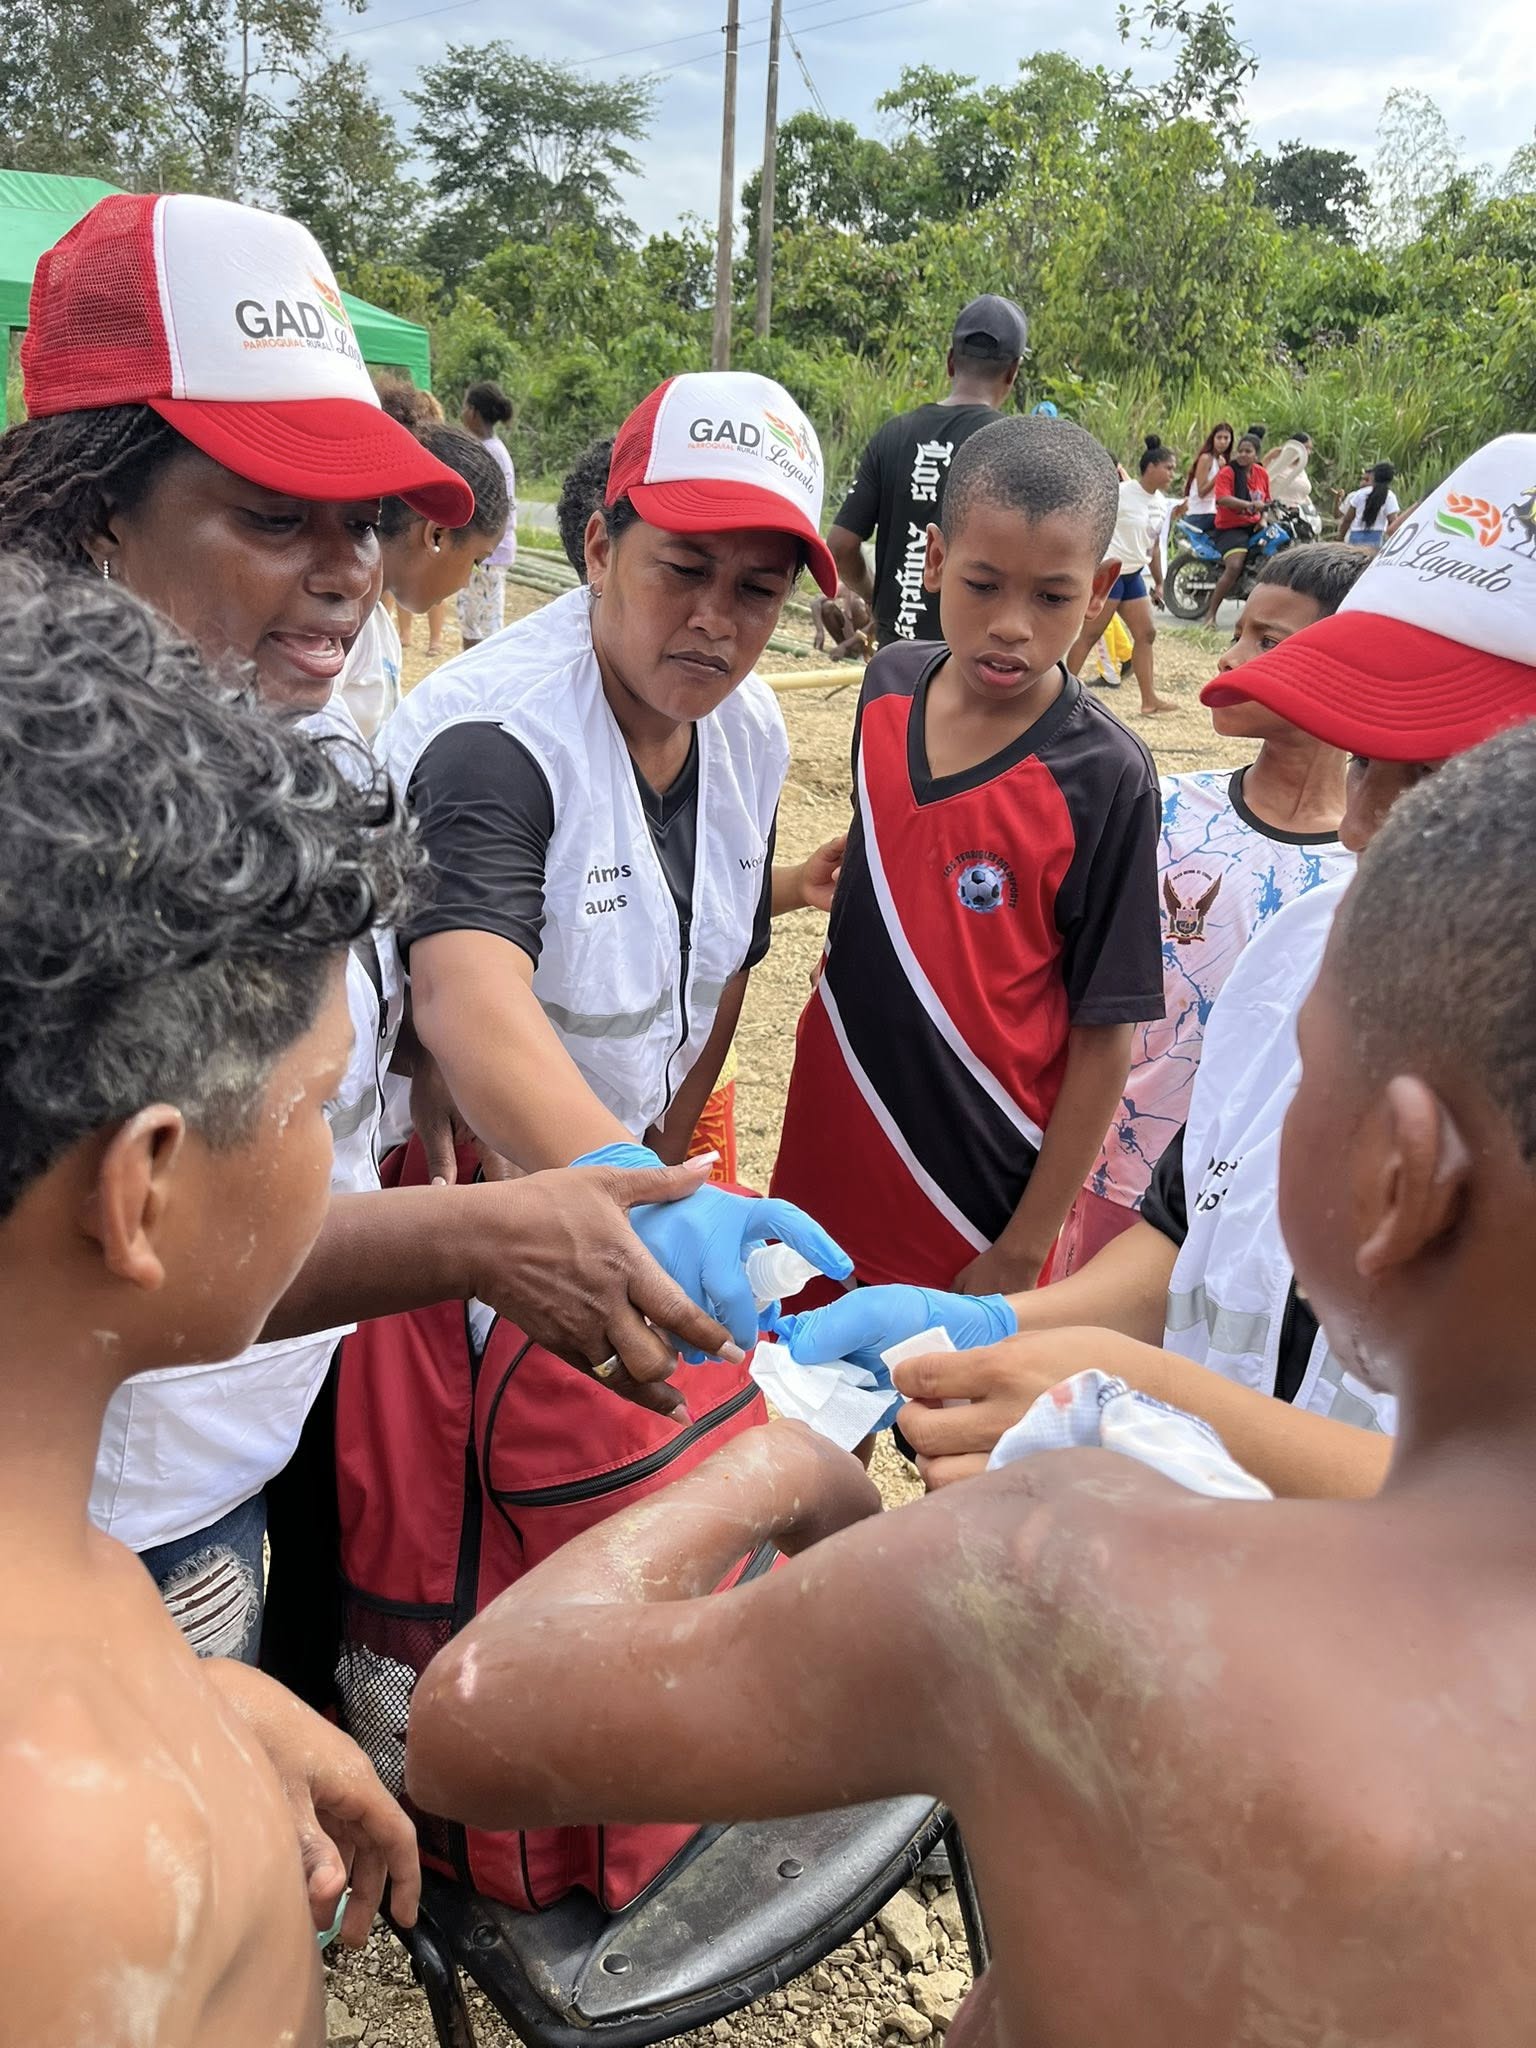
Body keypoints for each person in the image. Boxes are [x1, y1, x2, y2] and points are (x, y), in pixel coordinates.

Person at [408, 722, 1536, 2047]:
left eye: (1303, 1075)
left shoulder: (1070, 1575)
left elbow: (474, 1723)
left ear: (1399, 1176)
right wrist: (1002, 1320)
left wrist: (777, 1467)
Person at [0, 191, 748, 1657]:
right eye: (277, 518)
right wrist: (477, 1237)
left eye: (366, 520)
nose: (348, 569)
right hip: (115, 1502)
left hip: (272, 1411)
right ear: (96, 509)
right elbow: (152, 1243)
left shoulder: (314, 732)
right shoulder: (53, 823)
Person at [784, 433, 1536, 1501]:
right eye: (1367, 759)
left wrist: (1136, 1389)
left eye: (1445, 783)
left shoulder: (1104, 777)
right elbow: (1180, 1239)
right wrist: (996, 1323)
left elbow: (1488, 1516)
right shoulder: (1299, 963)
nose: (1362, 826)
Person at [0, 561, 424, 2040]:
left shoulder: (66, 1571)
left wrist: (206, 1707)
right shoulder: (78, 1879)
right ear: (145, 1188)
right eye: (318, 1102)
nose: (331, 1147)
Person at [380, 369, 852, 1359]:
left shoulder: (749, 732)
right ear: (599, 548)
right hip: (472, 1205)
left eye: (757, 590)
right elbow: (467, 993)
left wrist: (661, 1180)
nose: (716, 618)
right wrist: (626, 1186)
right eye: (682, 569)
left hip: (618, 1190)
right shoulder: (500, 740)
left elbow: (727, 962)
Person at [770, 413, 1164, 1303]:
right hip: (833, 1118)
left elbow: (1107, 1035)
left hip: (976, 1182)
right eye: (983, 585)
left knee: (936, 1391)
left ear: (1099, 591)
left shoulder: (1107, 778)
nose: (1011, 626)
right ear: (936, 560)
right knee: (795, 1361)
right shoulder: (887, 685)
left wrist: (1025, 1247)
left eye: (1052, 598)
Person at [1059, 543, 1367, 1273]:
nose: (1230, 659)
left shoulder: (1370, 874)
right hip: (1110, 1180)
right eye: (1240, 632)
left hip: (1259, 1218)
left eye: (1268, 642)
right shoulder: (1164, 812)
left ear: (1352, 666)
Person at [827, 295, 1028, 646]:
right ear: (1013, 372)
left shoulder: (893, 434)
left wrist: (875, 595)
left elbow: (841, 546)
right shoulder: (1016, 445)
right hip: (969, 654)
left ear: (950, 362)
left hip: (895, 651)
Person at [340, 425, 508, 739]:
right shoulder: (338, 627)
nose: (466, 582)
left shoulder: (378, 624)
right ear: (437, 536)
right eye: (476, 561)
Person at [1067, 434, 1179, 716]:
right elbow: (1090, 525)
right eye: (1168, 468)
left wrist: (1160, 582)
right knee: (1090, 635)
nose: (1172, 474)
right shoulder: (1121, 493)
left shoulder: (1160, 502)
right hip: (1111, 574)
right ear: (1151, 467)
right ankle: (1060, 697)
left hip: (1134, 575)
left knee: (1146, 633)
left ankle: (1149, 700)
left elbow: (1153, 545)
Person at [458, 379, 518, 647]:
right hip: (486, 553)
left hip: (487, 554)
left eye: (464, 407)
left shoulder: (487, 453)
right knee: (475, 623)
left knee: (481, 632)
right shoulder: (491, 449)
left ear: (472, 412)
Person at [1202, 432, 1271, 623]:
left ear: (1256, 455)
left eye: (1248, 451)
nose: (1242, 454)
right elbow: (1222, 499)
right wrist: (1249, 505)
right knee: (1234, 566)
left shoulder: (1262, 474)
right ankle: (1210, 615)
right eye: (1240, 451)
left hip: (1254, 525)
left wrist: (1263, 519)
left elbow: (1266, 502)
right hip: (1230, 528)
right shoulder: (1228, 472)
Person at [1174, 419, 1232, 535]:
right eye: (1219, 438)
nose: (1222, 442)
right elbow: (1201, 492)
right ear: (1213, 439)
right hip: (1199, 514)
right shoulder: (1206, 459)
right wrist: (1221, 473)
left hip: (1211, 512)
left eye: (1226, 438)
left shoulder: (1221, 461)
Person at [1341, 461, 1402, 548]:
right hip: (1377, 538)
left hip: (1356, 537)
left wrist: (1340, 537)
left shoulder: (1360, 494)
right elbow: (1393, 522)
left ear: (1373, 476)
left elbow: (1347, 519)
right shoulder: (1390, 496)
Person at [811, 581, 874, 660]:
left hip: (865, 640)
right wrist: (820, 631)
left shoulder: (871, 589)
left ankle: (857, 650)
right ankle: (846, 648)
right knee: (827, 607)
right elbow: (816, 603)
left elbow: (874, 624)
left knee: (857, 604)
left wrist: (844, 645)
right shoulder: (846, 586)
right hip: (849, 633)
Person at [1262, 429, 1315, 516]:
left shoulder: (1300, 470)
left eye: (1310, 449)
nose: (1308, 452)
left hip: (1300, 514)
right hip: (1277, 512)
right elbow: (1260, 477)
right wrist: (1269, 457)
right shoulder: (1277, 463)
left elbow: (1303, 493)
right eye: (1306, 448)